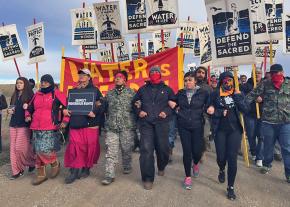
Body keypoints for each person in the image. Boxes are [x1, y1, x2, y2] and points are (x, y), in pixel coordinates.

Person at [207, 71, 249, 200]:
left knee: (232, 158)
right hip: (220, 129)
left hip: (234, 130)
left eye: (230, 80)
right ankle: (221, 168)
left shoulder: (238, 93)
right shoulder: (214, 94)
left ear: (233, 81)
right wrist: (216, 111)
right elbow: (208, 109)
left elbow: (245, 109)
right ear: (221, 81)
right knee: (221, 157)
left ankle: (230, 187)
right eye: (225, 80)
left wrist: (237, 97)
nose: (228, 82)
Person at [132, 66, 175, 190]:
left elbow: (173, 103)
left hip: (162, 123)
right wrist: (139, 111)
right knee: (146, 150)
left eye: (157, 72)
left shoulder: (167, 90)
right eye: (152, 72)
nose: (154, 74)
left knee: (163, 149)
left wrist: (166, 112)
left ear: (160, 75)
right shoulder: (142, 89)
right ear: (149, 75)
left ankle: (162, 166)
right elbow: (135, 103)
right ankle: (147, 178)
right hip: (146, 124)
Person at [246, 64, 290, 183]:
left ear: (283, 72)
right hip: (268, 122)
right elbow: (252, 95)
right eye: (273, 73)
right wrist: (242, 104)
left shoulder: (288, 84)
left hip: (285, 122)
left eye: (278, 72)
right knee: (268, 145)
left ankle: (288, 172)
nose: (276, 75)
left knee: (286, 148)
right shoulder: (266, 84)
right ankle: (266, 164)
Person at [25, 74, 68, 185]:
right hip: (35, 126)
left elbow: (68, 107)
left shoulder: (56, 94)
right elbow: (29, 108)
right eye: (42, 81)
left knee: (44, 150)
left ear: (51, 83)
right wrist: (27, 115)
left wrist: (65, 121)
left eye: (46, 82)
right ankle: (41, 175)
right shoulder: (36, 95)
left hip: (49, 126)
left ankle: (54, 162)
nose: (43, 83)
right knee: (37, 150)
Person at [64, 69, 104, 184]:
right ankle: (75, 171)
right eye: (80, 74)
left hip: (90, 123)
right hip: (76, 122)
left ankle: (86, 167)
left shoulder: (95, 90)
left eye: (84, 75)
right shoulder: (74, 91)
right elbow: (68, 105)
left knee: (89, 147)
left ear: (89, 77)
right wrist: (65, 110)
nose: (81, 76)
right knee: (75, 146)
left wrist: (94, 111)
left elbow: (102, 104)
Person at [175, 71, 210, 190]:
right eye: (185, 80)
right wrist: (175, 108)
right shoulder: (180, 93)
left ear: (195, 81)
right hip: (183, 125)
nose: (187, 82)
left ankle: (195, 164)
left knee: (196, 151)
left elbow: (210, 103)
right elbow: (172, 102)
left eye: (190, 80)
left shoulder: (203, 93)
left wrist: (210, 108)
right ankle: (187, 177)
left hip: (197, 125)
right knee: (187, 151)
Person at [101, 71, 136, 185]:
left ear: (125, 80)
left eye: (120, 77)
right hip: (112, 127)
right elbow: (104, 108)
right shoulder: (109, 94)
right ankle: (109, 174)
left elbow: (137, 108)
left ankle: (127, 165)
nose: (117, 79)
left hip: (127, 126)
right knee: (111, 151)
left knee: (126, 149)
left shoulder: (132, 93)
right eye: (116, 77)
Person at [8, 77, 35, 179]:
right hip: (13, 124)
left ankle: (32, 162)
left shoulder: (30, 95)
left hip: (24, 125)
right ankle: (17, 171)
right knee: (13, 149)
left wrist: (28, 107)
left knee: (20, 148)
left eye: (21, 83)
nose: (18, 84)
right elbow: (11, 107)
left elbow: (34, 109)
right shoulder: (14, 95)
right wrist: (9, 111)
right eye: (17, 83)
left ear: (25, 84)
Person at [240, 69, 264, 167]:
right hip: (250, 114)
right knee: (251, 135)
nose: (257, 74)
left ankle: (260, 157)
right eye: (255, 73)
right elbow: (242, 97)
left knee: (262, 137)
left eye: (259, 73)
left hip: (263, 115)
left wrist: (262, 98)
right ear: (251, 74)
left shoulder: (265, 84)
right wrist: (253, 97)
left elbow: (270, 95)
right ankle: (253, 152)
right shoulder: (246, 85)